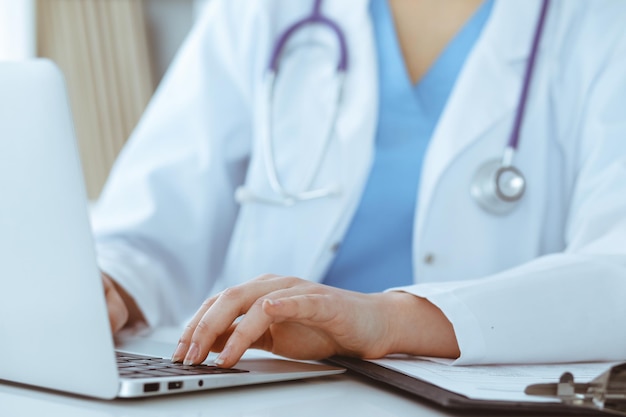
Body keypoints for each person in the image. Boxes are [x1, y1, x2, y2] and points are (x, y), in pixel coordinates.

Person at [92, 0, 626, 369]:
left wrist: (392, 321)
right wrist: (108, 285)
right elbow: (147, 226)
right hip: (263, 387)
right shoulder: (267, 10)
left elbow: (616, 269)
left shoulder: (599, 24)